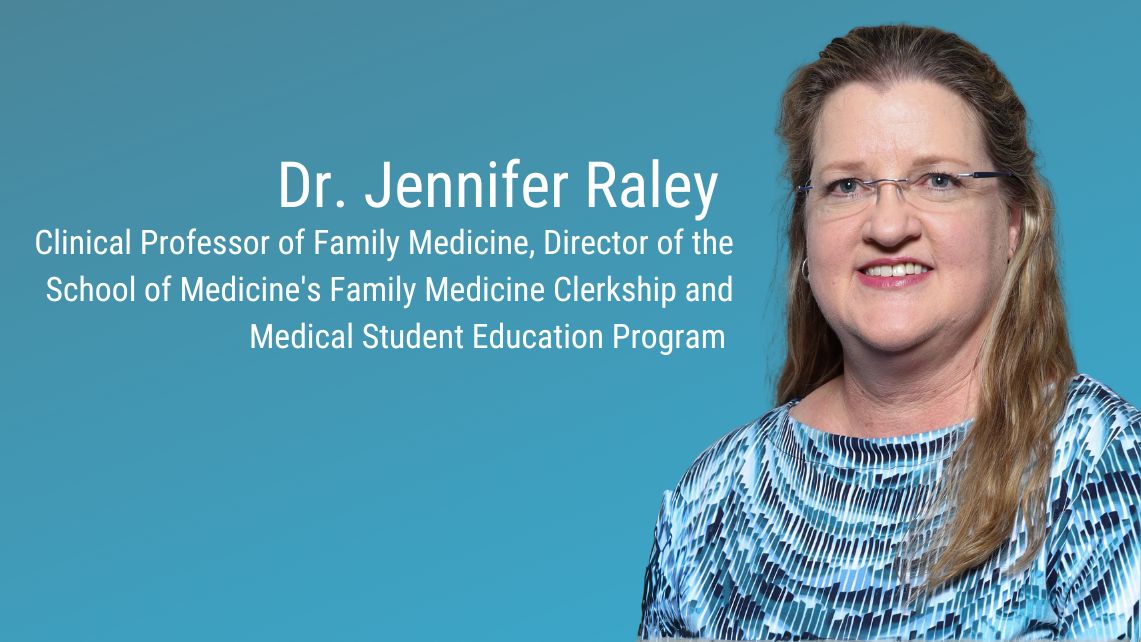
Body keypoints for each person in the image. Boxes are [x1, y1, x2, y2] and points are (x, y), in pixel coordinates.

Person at [637, 24, 1140, 640]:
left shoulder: (1101, 471)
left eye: (938, 181)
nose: (888, 223)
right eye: (847, 185)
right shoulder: (710, 506)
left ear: (1012, 223)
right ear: (805, 231)